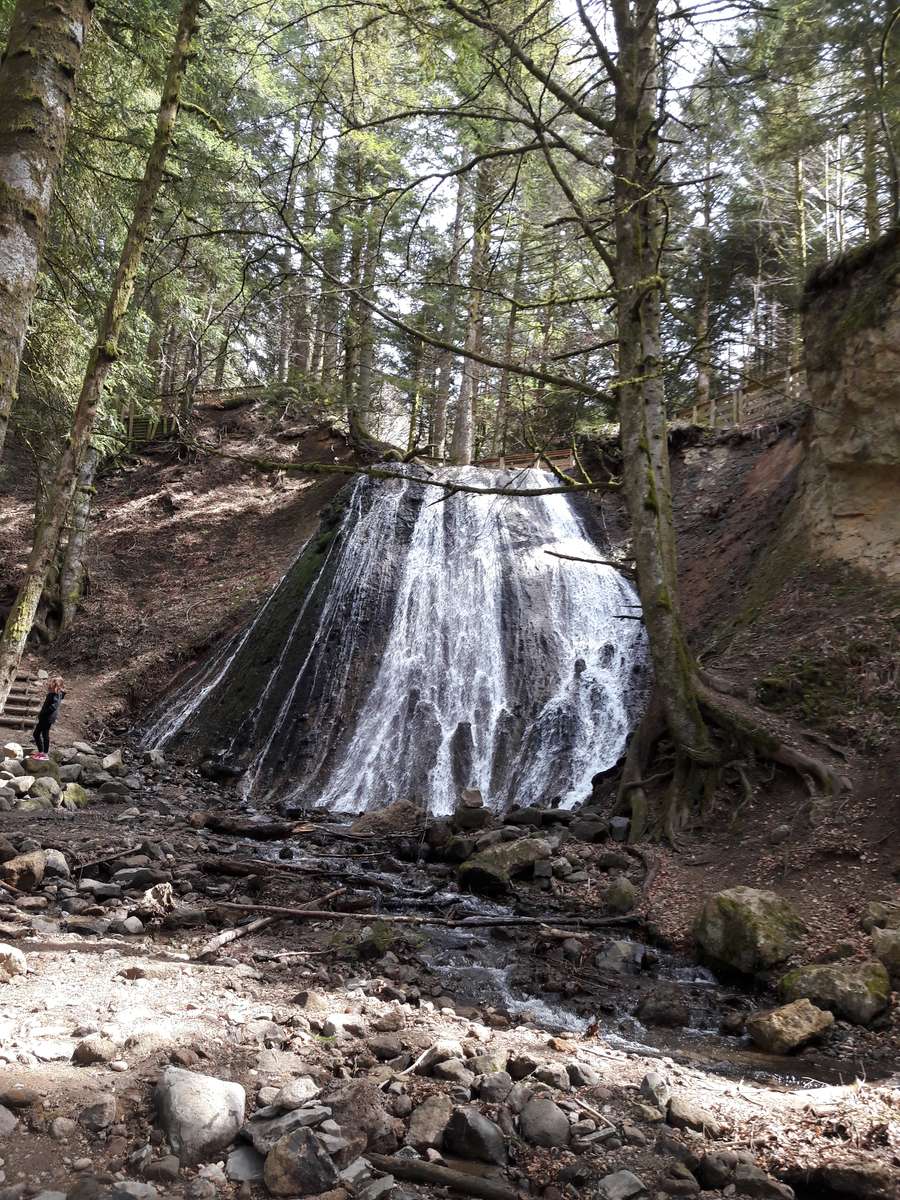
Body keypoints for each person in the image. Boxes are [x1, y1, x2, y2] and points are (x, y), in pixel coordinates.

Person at [33, 676, 65, 760]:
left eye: (53, 683)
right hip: (45, 717)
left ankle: (45, 754)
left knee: (42, 734)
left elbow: (53, 707)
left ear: (57, 685)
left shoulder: (56, 694)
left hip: (47, 718)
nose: (50, 684)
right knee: (38, 734)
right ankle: (41, 752)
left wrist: (43, 713)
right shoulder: (53, 693)